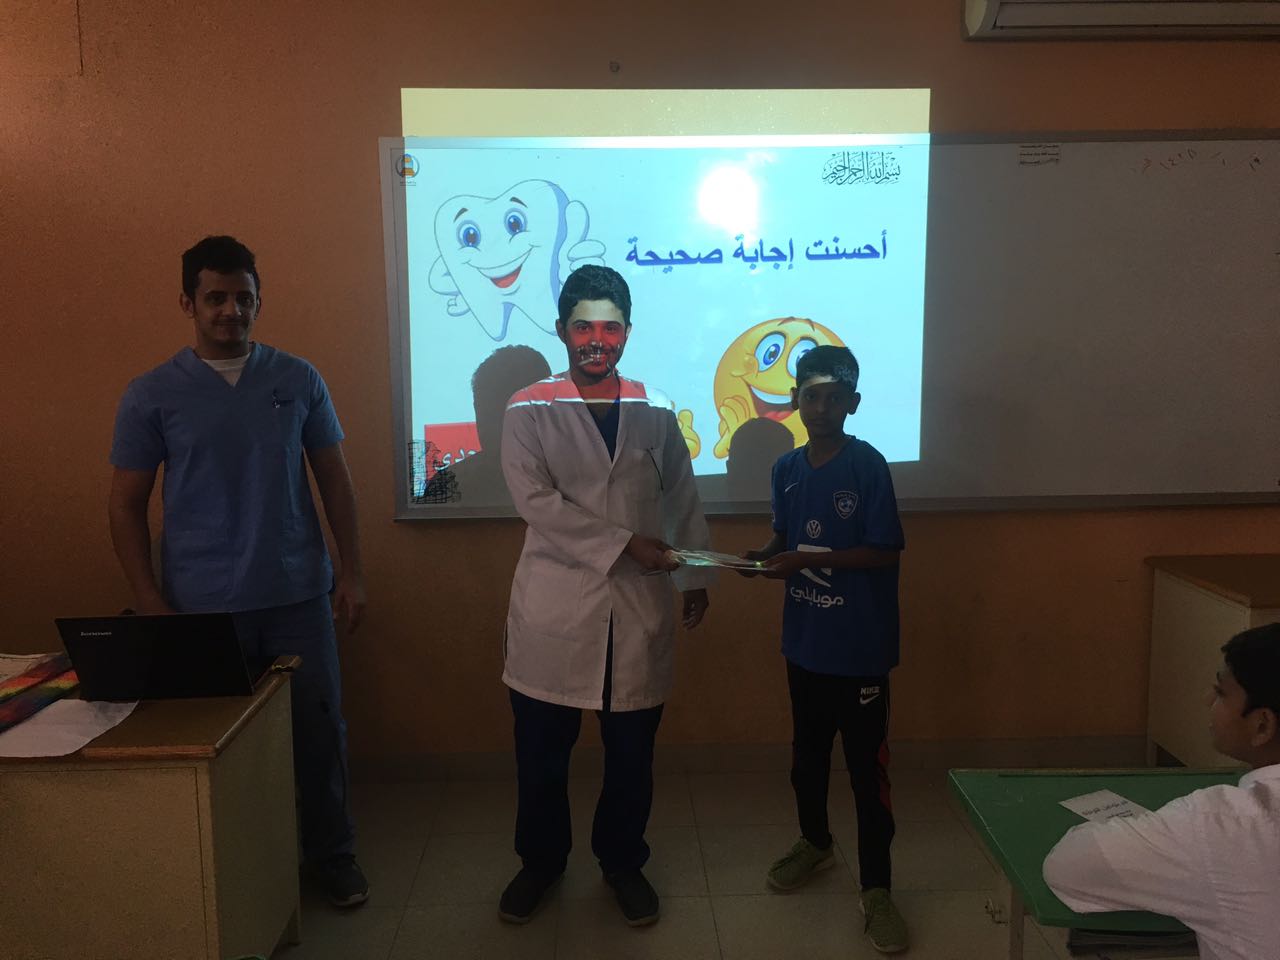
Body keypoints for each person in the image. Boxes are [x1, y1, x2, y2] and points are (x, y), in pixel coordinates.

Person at [107, 236, 369, 907]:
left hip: (296, 595)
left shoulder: (298, 379)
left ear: (259, 300)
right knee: (218, 747)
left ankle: (332, 857)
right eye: (216, 298)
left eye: (243, 297)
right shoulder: (151, 394)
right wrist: (148, 600)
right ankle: (240, 880)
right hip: (201, 608)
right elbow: (125, 504)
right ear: (188, 303)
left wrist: (352, 573)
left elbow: (335, 480)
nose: (231, 311)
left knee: (318, 734)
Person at [498, 264, 712, 927]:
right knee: (541, 760)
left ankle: (622, 862)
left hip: (637, 609)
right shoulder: (528, 407)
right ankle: (540, 863)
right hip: (554, 612)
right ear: (563, 330)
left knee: (631, 759)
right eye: (583, 326)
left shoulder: (655, 408)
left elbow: (680, 496)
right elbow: (537, 503)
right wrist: (625, 544)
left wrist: (694, 577)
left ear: (627, 332)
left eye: (610, 328)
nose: (597, 340)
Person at [741, 343, 908, 954]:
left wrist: (805, 561)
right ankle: (815, 843)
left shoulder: (868, 466)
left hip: (860, 650)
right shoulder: (785, 469)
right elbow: (783, 539)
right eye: (811, 396)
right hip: (805, 646)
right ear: (795, 401)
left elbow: (884, 551)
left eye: (835, 397)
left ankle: (878, 889)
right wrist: (760, 560)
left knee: (867, 775)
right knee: (806, 761)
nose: (821, 407)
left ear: (853, 404)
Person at [1043, 624, 1280, 960]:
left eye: (1221, 692)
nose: (1208, 700)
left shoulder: (1224, 823)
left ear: (1262, 725)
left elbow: (1068, 865)